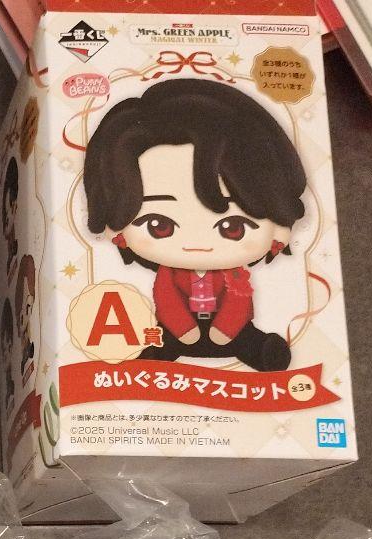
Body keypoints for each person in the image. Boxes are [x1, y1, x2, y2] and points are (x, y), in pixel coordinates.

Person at [83, 80, 307, 372]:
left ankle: (263, 353)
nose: (197, 244)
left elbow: (238, 301)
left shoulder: (235, 274)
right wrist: (183, 329)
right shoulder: (170, 275)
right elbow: (166, 298)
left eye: (233, 228)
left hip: (232, 331)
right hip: (178, 331)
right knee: (161, 343)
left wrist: (225, 330)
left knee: (248, 340)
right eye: (159, 226)